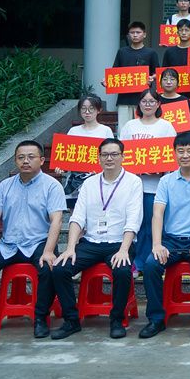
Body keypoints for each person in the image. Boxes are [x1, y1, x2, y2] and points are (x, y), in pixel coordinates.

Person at [0, 141, 65, 340]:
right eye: (21, 157)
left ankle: (40, 318)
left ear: (42, 160)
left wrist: (49, 251)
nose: (26, 161)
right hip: (9, 245)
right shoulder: (5, 186)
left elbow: (56, 221)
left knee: (49, 268)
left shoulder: (52, 186)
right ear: (15, 160)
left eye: (31, 157)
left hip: (39, 243)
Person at [50, 138, 143, 340]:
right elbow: (77, 217)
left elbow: (134, 219)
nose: (109, 158)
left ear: (123, 157)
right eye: (105, 155)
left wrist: (124, 250)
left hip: (119, 242)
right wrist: (70, 247)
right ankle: (71, 320)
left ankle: (116, 319)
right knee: (60, 268)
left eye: (114, 154)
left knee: (122, 270)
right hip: (91, 242)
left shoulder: (133, 182)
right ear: (99, 158)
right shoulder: (89, 183)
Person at [140, 133, 190, 339]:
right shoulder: (166, 181)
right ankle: (156, 319)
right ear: (174, 153)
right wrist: (157, 244)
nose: (185, 155)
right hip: (171, 240)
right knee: (150, 265)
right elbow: (157, 213)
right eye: (180, 151)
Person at [119, 88, 177, 271]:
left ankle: (155, 261)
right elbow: (122, 153)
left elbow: (172, 156)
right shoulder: (130, 126)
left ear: (158, 104)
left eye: (152, 101)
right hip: (133, 185)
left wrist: (160, 168)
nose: (148, 105)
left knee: (154, 224)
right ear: (139, 104)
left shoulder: (166, 126)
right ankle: (139, 261)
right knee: (139, 225)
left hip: (156, 186)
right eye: (144, 101)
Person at [54, 95, 114, 201]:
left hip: (98, 179)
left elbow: (111, 153)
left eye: (91, 108)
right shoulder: (73, 131)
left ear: (99, 110)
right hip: (75, 181)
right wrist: (61, 167)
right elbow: (66, 157)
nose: (87, 112)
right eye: (83, 108)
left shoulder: (105, 131)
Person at [110, 21, 159, 129]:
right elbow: (114, 73)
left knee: (142, 129)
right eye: (132, 33)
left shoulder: (151, 53)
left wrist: (152, 78)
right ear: (128, 35)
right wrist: (107, 82)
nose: (135, 35)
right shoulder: (122, 52)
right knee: (123, 129)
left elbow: (157, 73)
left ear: (144, 34)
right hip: (124, 98)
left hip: (144, 98)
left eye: (138, 32)